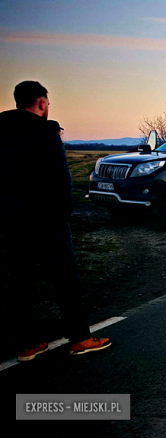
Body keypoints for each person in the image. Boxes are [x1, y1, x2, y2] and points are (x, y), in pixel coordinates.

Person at [0, 81, 111, 361]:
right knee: (65, 279)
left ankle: (27, 345)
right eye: (47, 104)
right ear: (41, 103)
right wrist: (64, 217)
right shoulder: (46, 134)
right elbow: (61, 181)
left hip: (12, 220)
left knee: (20, 280)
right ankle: (80, 338)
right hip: (47, 220)